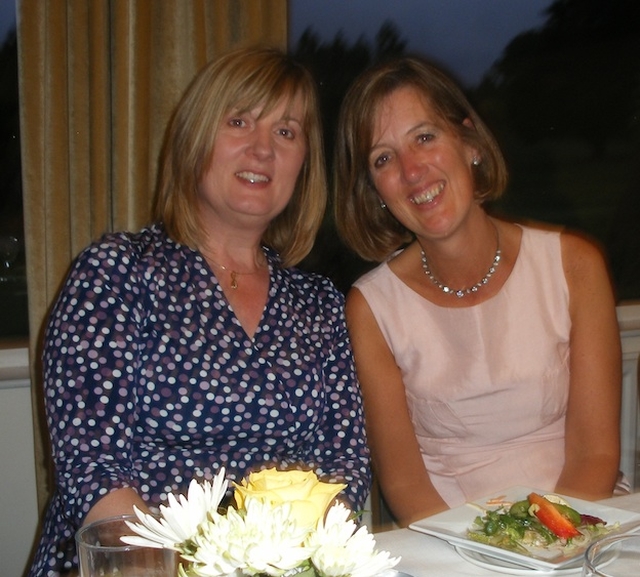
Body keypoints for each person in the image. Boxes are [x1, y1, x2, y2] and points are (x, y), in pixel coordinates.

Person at [30, 47, 370, 576]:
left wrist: (306, 563)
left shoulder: (319, 303)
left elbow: (346, 466)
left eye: (286, 132)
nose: (263, 149)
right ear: (194, 139)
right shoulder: (116, 273)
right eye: (239, 121)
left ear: (304, 163)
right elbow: (94, 474)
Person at [333, 55, 622, 527]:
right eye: (384, 159)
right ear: (375, 191)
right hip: (449, 544)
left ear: (470, 141)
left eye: (424, 137)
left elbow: (595, 454)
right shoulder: (371, 308)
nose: (411, 171)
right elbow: (405, 486)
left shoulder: (576, 266)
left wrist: (549, 547)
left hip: (581, 526)